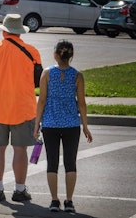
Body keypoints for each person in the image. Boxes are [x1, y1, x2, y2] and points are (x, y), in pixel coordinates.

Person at [0, 14, 42, 202]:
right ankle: (19, 190)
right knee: (20, 150)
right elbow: (38, 81)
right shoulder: (32, 52)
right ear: (20, 32)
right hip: (23, 108)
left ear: (3, 31)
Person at [33, 40, 93, 212]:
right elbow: (81, 103)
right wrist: (85, 126)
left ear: (55, 55)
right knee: (70, 163)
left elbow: (42, 100)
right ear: (71, 56)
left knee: (52, 163)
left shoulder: (46, 73)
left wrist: (37, 125)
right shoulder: (77, 76)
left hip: (50, 124)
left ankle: (54, 201)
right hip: (72, 125)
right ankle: (69, 201)